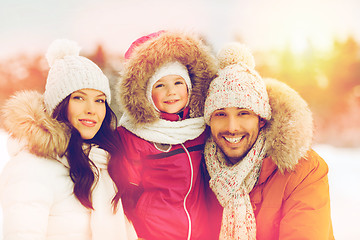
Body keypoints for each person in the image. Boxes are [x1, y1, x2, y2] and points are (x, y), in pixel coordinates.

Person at [0, 39, 137, 240]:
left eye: (99, 100)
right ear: (59, 105)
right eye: (79, 98)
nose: (91, 109)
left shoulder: (103, 163)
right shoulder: (31, 168)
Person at [203, 42, 334, 239]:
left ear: (261, 119)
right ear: (209, 121)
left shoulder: (303, 171)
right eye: (221, 114)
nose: (232, 127)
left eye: (243, 113)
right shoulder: (196, 170)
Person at [113, 30, 218, 240]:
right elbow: (127, 194)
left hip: (200, 233)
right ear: (146, 93)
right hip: (153, 234)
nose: (171, 92)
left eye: (178, 83)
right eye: (160, 85)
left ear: (189, 87)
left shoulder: (200, 129)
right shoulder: (134, 136)